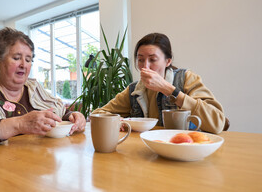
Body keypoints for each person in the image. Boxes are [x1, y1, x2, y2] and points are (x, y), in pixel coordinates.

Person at [92, 33, 225, 134]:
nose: (146, 66)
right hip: (146, 152)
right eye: (140, 60)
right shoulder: (134, 90)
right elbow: (98, 114)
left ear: (168, 61)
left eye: (153, 60)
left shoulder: (186, 78)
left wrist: (169, 90)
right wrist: (116, 121)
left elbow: (218, 122)